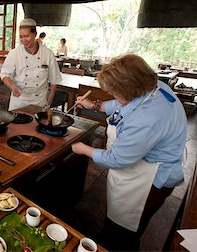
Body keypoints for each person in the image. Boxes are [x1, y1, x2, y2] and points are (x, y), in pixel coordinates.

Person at [71, 54, 187, 251]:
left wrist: (83, 149)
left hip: (150, 180)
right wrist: (96, 105)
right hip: (142, 167)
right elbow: (124, 103)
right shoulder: (152, 87)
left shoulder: (147, 118)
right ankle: (107, 238)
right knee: (115, 225)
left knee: (126, 232)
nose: (113, 96)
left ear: (129, 89)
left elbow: (116, 159)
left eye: (114, 92)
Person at [0, 18, 62, 111]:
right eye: (21, 37)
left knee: (39, 124)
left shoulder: (48, 53)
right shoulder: (14, 53)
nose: (23, 40)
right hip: (19, 99)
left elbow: (54, 79)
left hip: (40, 99)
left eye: (26, 36)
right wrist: (12, 87)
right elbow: (4, 74)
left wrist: (51, 97)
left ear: (35, 34)